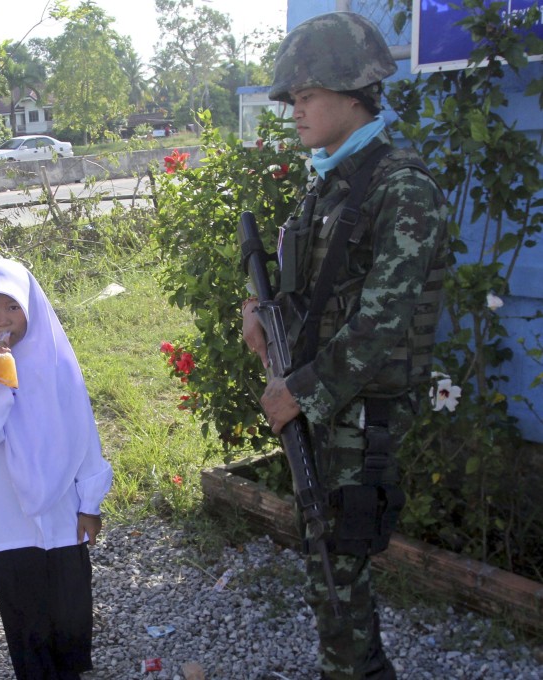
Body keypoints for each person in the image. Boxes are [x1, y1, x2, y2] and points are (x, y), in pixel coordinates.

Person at [241, 12, 448, 680]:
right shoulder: (329, 182)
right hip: (323, 407)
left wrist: (295, 391)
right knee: (327, 567)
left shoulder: (401, 186)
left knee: (338, 567)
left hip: (361, 412)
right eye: (293, 100)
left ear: (352, 96)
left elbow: (383, 320)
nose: (296, 112)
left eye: (307, 98)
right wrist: (256, 309)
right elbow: (313, 289)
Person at [0, 258, 113, 679]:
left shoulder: (57, 359)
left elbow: (83, 433)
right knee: (26, 618)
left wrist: (90, 502)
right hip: (11, 517)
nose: (2, 319)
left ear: (30, 306)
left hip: (64, 509)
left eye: (12, 307)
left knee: (71, 612)